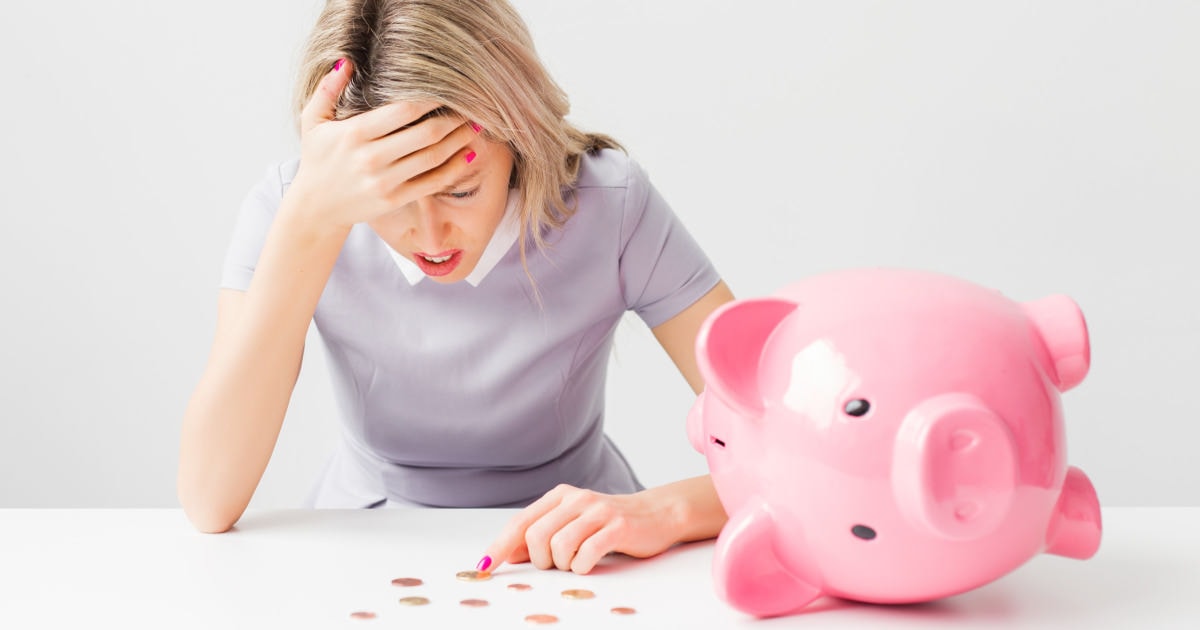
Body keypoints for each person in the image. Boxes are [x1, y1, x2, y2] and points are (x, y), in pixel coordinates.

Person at [178, 0, 734, 576]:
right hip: (362, 546)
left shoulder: (609, 202)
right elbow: (208, 499)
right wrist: (310, 222)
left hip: (578, 547)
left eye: (461, 190)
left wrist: (663, 511)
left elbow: (787, 437)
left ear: (517, 137)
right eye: (389, 201)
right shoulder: (295, 210)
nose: (430, 233)